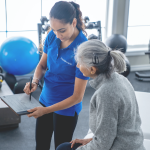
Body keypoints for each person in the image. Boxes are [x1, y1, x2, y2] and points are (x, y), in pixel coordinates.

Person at [56, 39, 146, 150]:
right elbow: (116, 128)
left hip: (121, 147)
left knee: (62, 149)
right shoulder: (119, 78)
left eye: (80, 63)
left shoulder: (106, 93)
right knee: (64, 147)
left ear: (92, 69)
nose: (78, 66)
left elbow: (102, 145)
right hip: (128, 143)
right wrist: (90, 140)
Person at [23, 1, 89, 150]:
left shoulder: (83, 50)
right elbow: (41, 66)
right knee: (41, 145)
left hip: (67, 106)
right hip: (45, 99)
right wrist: (35, 81)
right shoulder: (52, 36)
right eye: (54, 30)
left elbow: (78, 97)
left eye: (62, 30)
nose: (58, 35)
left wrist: (45, 111)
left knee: (61, 147)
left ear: (73, 22)